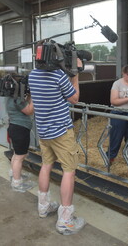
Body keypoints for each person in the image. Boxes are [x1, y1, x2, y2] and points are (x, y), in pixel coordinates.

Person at [28, 62, 86, 235]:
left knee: (46, 165)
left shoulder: (33, 75)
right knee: (69, 170)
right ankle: (65, 220)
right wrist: (75, 74)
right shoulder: (58, 75)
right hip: (61, 131)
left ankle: (43, 206)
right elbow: (74, 99)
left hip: (44, 131)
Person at [5, 76, 35, 192]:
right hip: (20, 129)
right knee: (20, 156)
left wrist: (28, 96)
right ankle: (17, 183)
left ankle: (14, 174)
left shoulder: (13, 98)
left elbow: (25, 105)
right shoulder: (16, 99)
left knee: (16, 154)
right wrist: (33, 96)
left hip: (15, 128)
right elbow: (29, 110)